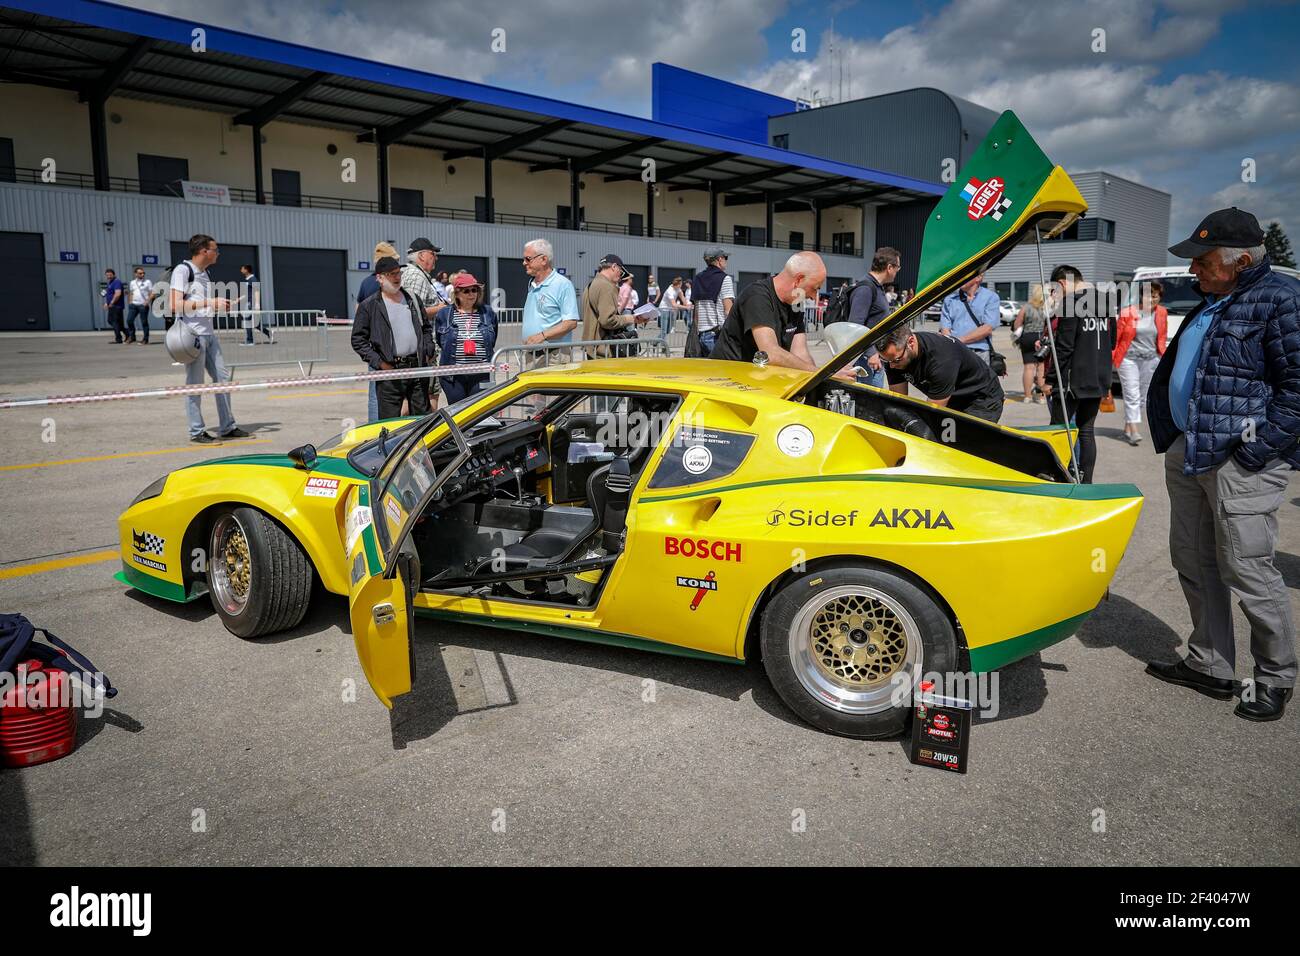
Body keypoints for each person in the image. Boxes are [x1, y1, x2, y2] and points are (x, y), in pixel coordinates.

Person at [1144, 208, 1299, 722]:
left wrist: (1255, 450)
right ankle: (1210, 663)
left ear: (1242, 260)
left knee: (1248, 567)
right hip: (1190, 449)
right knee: (1193, 559)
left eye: (1203, 261)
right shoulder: (1212, 301)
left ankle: (1275, 677)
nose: (1194, 271)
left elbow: (1296, 391)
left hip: (1242, 460)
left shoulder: (1279, 300)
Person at [169, 234, 250, 443]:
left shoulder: (205, 273)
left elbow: (203, 303)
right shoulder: (182, 270)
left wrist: (217, 304)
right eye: (215, 250)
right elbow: (174, 305)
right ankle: (196, 431)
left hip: (210, 335)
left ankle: (227, 426)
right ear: (204, 251)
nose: (218, 254)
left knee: (223, 380)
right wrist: (208, 303)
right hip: (193, 335)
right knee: (195, 385)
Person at [1043, 264, 1113, 483]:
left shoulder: (1071, 302)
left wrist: (1051, 379)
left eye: (1055, 290)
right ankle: (1086, 480)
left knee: (1058, 430)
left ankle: (1058, 475)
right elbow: (1112, 340)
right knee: (1086, 431)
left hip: (1072, 379)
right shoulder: (1106, 301)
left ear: (1063, 283)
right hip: (1099, 375)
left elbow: (1064, 347)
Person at [709, 252, 824, 371]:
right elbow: (771, 353)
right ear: (799, 280)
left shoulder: (797, 301)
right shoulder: (757, 296)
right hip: (726, 376)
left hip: (756, 377)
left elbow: (801, 353)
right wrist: (818, 372)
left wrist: (820, 378)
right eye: (815, 289)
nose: (814, 297)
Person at [353, 256, 434, 419]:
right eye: (392, 274)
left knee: (423, 420)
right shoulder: (369, 305)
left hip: (417, 368)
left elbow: (426, 328)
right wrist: (380, 364)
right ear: (380, 278)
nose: (397, 277)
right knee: (390, 423)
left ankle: (422, 445)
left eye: (398, 273)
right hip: (390, 372)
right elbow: (358, 340)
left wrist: (428, 349)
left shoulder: (412, 299)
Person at [875, 322, 1005, 423]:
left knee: (967, 446)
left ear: (911, 343)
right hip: (952, 397)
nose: (891, 366)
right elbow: (899, 400)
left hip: (981, 398)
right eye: (886, 360)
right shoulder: (894, 355)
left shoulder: (941, 359)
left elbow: (933, 412)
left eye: (896, 360)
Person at [1112, 280, 1167, 445]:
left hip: (1151, 359)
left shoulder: (1162, 313)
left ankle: (1128, 426)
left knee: (1143, 396)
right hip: (1128, 359)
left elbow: (1162, 336)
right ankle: (1135, 430)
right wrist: (1112, 358)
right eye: (1149, 295)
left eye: (1155, 296)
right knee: (1132, 394)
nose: (1152, 299)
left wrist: (1162, 356)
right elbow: (1116, 338)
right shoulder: (1128, 312)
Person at [436, 273, 498, 404]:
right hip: (453, 376)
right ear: (457, 293)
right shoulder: (444, 314)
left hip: (481, 373)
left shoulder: (488, 312)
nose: (472, 294)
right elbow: (440, 340)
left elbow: (492, 340)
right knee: (458, 413)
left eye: (474, 290)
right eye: (466, 291)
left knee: (477, 412)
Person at [846, 247, 903, 388]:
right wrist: (871, 353)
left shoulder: (876, 287)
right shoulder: (865, 288)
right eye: (898, 267)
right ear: (890, 267)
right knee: (869, 403)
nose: (898, 271)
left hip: (874, 357)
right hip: (866, 360)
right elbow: (855, 325)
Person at [357, 241, 400, 422]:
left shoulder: (366, 282)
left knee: (375, 392)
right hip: (389, 346)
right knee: (393, 392)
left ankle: (374, 428)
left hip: (373, 346)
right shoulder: (386, 283)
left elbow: (358, 309)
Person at [521, 238, 578, 367]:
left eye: (528, 259)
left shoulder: (563, 284)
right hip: (532, 355)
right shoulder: (532, 283)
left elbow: (570, 323)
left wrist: (542, 336)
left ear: (544, 260)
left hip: (553, 357)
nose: (524, 263)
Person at [581, 253, 649, 358]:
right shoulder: (606, 286)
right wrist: (631, 318)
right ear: (614, 267)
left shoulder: (590, 285)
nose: (620, 276)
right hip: (604, 349)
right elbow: (608, 320)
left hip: (591, 346)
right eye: (620, 271)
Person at [938, 273, 999, 362]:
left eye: (965, 274)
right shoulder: (949, 300)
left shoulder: (991, 298)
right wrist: (951, 344)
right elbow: (945, 329)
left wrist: (958, 341)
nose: (960, 278)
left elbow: (987, 329)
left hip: (979, 354)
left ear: (978, 277)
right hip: (955, 352)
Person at [691, 247, 735, 357]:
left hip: (700, 335)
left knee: (705, 372)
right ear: (720, 259)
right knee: (722, 371)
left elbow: (696, 310)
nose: (726, 261)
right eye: (726, 258)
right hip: (716, 336)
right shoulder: (725, 279)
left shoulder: (697, 278)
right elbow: (728, 310)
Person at [1012, 283, 1049, 404]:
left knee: (1028, 367)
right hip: (1042, 337)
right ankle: (1041, 396)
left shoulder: (1026, 307)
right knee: (1041, 369)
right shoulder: (1047, 307)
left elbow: (1017, 324)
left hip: (1027, 337)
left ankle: (1027, 396)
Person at [239, 264, 271, 346]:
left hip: (251, 303)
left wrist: (257, 304)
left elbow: (257, 291)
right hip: (248, 302)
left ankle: (250, 341)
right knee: (254, 323)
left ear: (246, 270)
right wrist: (237, 300)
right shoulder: (247, 280)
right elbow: (247, 294)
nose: (241, 270)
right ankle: (268, 332)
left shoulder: (253, 279)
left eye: (242, 269)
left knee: (247, 321)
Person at [126, 266, 152, 344]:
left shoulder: (148, 282)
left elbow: (152, 293)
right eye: (140, 273)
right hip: (133, 305)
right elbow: (131, 292)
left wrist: (147, 302)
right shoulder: (132, 282)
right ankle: (132, 337)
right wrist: (130, 301)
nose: (142, 274)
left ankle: (145, 339)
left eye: (143, 273)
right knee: (129, 320)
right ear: (136, 274)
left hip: (143, 305)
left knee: (144, 322)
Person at [102, 269, 125, 343]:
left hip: (116, 305)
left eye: (110, 275)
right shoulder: (110, 283)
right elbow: (109, 294)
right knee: (117, 323)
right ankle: (128, 335)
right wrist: (106, 303)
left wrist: (111, 302)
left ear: (114, 275)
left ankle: (119, 339)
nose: (108, 276)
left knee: (112, 321)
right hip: (112, 305)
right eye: (107, 275)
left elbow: (118, 294)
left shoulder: (116, 282)